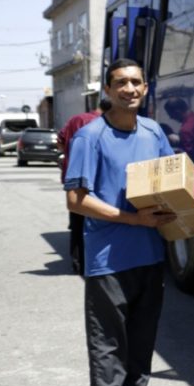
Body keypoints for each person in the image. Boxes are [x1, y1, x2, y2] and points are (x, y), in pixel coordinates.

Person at [64, 58, 181, 386]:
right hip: (108, 259)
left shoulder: (152, 131)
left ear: (146, 88)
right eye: (121, 83)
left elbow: (170, 178)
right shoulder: (90, 137)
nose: (129, 89)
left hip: (149, 253)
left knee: (142, 336)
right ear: (108, 90)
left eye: (136, 82)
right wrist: (133, 219)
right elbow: (77, 200)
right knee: (109, 342)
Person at [59, 98, 111, 275]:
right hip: (94, 179)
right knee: (95, 220)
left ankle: (77, 262)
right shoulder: (103, 124)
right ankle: (93, 262)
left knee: (76, 222)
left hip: (72, 176)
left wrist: (68, 155)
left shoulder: (75, 119)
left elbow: (60, 141)